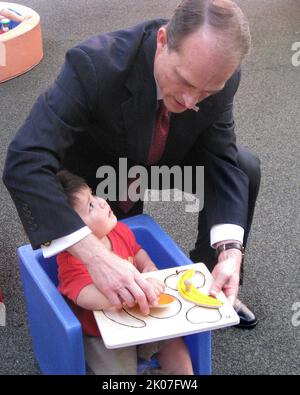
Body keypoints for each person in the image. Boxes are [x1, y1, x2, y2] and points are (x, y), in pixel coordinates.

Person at [3, 0, 260, 328]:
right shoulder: (92, 65)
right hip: (102, 170)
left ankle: (212, 282)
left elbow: (221, 158)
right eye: (184, 80)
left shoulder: (221, 75)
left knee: (244, 166)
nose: (190, 101)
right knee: (105, 272)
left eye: (207, 91)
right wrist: (95, 257)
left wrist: (230, 250)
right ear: (163, 41)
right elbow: (24, 160)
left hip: (168, 156)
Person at [56, 170, 194, 375]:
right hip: (101, 333)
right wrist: (135, 289)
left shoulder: (118, 230)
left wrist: (148, 267)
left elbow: (138, 251)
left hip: (142, 316)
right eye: (90, 206)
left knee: (174, 342)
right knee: (119, 371)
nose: (101, 202)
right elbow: (88, 298)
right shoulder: (70, 261)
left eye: (93, 195)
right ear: (71, 231)